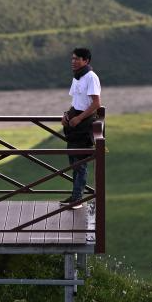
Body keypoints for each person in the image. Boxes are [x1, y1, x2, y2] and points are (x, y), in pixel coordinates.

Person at [61, 48, 101, 208]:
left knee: (80, 162)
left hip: (84, 123)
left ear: (86, 61)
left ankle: (78, 199)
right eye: (72, 58)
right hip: (75, 121)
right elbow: (75, 102)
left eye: (77, 59)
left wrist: (78, 118)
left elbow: (96, 104)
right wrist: (67, 116)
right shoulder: (77, 77)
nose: (73, 61)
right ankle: (74, 196)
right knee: (74, 161)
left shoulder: (91, 77)